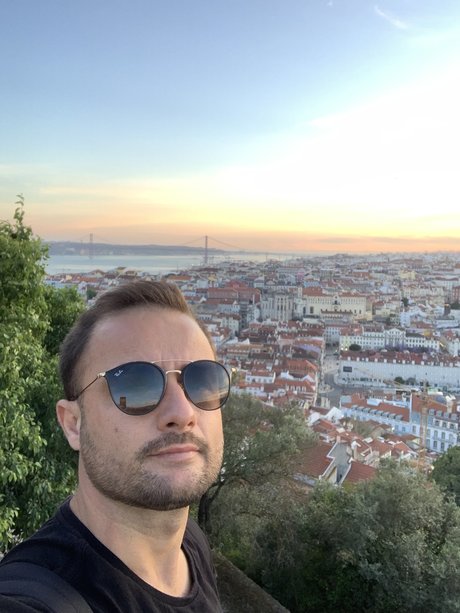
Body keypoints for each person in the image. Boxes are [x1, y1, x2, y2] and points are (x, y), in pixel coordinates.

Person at [0, 280, 231, 612]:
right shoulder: (36, 597)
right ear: (73, 424)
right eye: (134, 386)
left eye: (203, 380)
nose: (183, 414)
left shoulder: (190, 544)